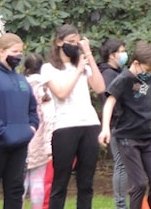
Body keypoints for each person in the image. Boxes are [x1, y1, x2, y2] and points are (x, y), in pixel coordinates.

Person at [98, 39, 151, 209]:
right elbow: (110, 102)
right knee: (139, 185)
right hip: (127, 138)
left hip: (147, 137)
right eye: (147, 69)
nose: (149, 74)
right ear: (136, 63)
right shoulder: (124, 78)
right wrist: (105, 128)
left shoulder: (147, 77)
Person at [41, 24, 105, 209]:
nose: (74, 46)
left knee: (86, 183)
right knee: (60, 182)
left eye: (77, 43)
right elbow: (61, 93)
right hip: (65, 127)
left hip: (90, 124)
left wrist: (89, 56)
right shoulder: (49, 68)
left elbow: (100, 88)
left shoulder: (84, 64)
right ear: (59, 42)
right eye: (70, 42)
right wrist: (78, 71)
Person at [0, 32, 39, 209]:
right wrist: (3, 133)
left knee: (15, 191)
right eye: (14, 51)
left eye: (20, 52)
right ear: (1, 51)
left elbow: (32, 108)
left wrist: (31, 128)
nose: (18, 56)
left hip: (20, 145)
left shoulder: (22, 80)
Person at [99, 38, 129, 209]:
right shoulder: (109, 75)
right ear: (112, 55)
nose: (125, 54)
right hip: (118, 126)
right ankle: (120, 204)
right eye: (122, 51)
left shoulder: (118, 72)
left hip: (124, 125)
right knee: (121, 164)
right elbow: (113, 102)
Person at [23, 53, 55, 209]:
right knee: (37, 183)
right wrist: (48, 143)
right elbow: (49, 117)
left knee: (19, 184)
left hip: (21, 140)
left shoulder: (21, 85)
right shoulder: (45, 87)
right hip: (40, 142)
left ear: (25, 68)